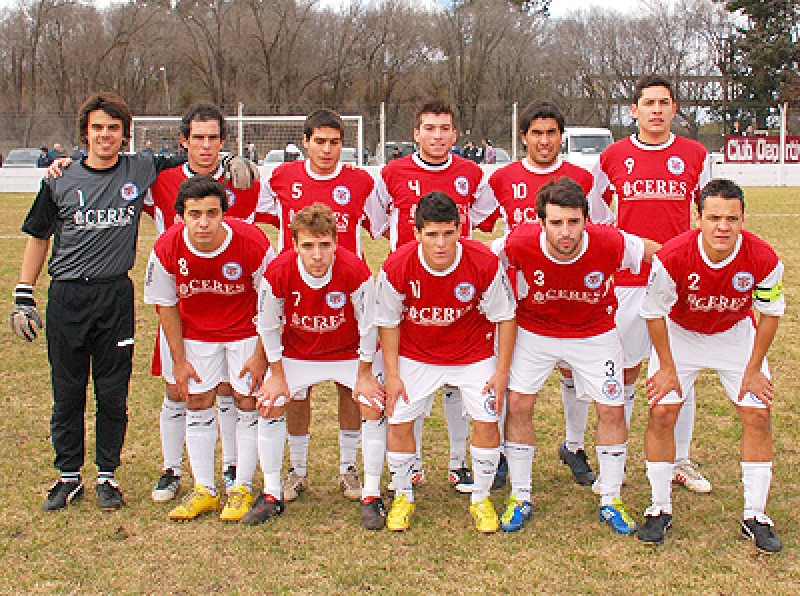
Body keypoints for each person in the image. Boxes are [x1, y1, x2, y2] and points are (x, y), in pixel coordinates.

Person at [9, 91, 180, 512]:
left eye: (113, 128)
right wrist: (24, 293)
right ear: (85, 133)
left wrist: (229, 162)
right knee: (67, 392)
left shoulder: (140, 168)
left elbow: (192, 157)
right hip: (68, 295)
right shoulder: (59, 178)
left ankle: (107, 475)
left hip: (114, 295)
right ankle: (68, 476)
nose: (105, 135)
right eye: (97, 128)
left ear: (125, 134)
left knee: (112, 392)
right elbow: (39, 236)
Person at [494, 177, 659, 534]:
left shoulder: (609, 241)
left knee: (612, 409)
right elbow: (478, 258)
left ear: (587, 219)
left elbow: (658, 253)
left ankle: (611, 498)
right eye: (556, 223)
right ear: (541, 222)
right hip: (535, 331)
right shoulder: (518, 241)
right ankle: (520, 495)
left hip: (594, 332)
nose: (566, 232)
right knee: (518, 404)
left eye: (574, 222)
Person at [637, 179, 784, 553]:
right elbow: (653, 313)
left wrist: (753, 369)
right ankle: (659, 507)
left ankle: (755, 515)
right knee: (662, 412)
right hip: (680, 333)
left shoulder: (764, 258)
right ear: (698, 218)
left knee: (758, 414)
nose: (723, 227)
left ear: (743, 220)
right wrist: (667, 367)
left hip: (734, 333)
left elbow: (770, 314)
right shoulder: (673, 256)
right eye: (714, 218)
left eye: (732, 219)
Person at [587, 75, 713, 495]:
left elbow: (709, 211)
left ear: (674, 109)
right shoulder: (612, 156)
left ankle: (679, 460)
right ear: (634, 110)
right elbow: (596, 212)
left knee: (679, 372)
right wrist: (624, 248)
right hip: (627, 282)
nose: (656, 110)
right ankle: (615, 463)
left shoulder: (696, 155)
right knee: (624, 373)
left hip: (676, 282)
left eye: (664, 103)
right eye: (648, 103)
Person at [144, 102, 270, 504]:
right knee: (179, 390)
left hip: (237, 313)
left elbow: (283, 214)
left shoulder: (242, 180)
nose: (205, 145)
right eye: (197, 137)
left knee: (235, 392)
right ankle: (172, 469)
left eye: (213, 138)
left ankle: (234, 471)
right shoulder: (161, 180)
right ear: (183, 141)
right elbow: (118, 173)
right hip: (184, 309)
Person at [259, 109, 385, 504]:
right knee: (297, 393)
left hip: (347, 294)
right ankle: (297, 470)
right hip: (295, 297)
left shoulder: (362, 181)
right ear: (305, 142)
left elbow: (382, 224)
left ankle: (348, 468)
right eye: (320, 141)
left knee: (351, 390)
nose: (327, 149)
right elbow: (246, 208)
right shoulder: (281, 177)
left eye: (334, 142)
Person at [375, 99, 500, 494]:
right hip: (409, 290)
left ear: (455, 133)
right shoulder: (392, 172)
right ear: (416, 133)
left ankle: (457, 462)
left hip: (459, 290)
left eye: (445, 128)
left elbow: (484, 219)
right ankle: (410, 465)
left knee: (457, 382)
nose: (437, 135)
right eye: (429, 128)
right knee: (408, 384)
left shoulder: (472, 173)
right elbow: (378, 223)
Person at [376, 191, 516, 533]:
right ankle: (403, 495)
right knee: (398, 421)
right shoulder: (397, 265)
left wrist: (501, 372)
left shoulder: (483, 262)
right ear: (417, 233)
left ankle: (481, 497)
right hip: (416, 354)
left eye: (448, 233)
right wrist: (392, 374)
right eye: (432, 234)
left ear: (460, 229)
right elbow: (388, 323)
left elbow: (505, 317)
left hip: (473, 354)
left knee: (487, 420)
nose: (441, 243)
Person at [477, 101, 598, 488]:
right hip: (516, 294)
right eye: (536, 133)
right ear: (524, 137)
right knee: (507, 372)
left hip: (569, 289)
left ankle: (574, 445)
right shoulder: (502, 178)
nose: (544, 141)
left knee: (572, 368)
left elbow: (598, 230)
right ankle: (500, 454)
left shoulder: (584, 177)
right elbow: (480, 222)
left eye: (551, 133)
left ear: (561, 136)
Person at [249, 204, 386, 528]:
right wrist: (277, 375)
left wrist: (365, 374)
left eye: (324, 245)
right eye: (308, 245)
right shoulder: (278, 272)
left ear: (336, 243)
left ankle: (369, 492)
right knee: (271, 403)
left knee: (371, 404)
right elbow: (268, 325)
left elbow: (369, 325)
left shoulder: (354, 270)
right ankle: (274, 490)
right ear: (295, 244)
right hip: (298, 352)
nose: (317, 254)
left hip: (348, 352)